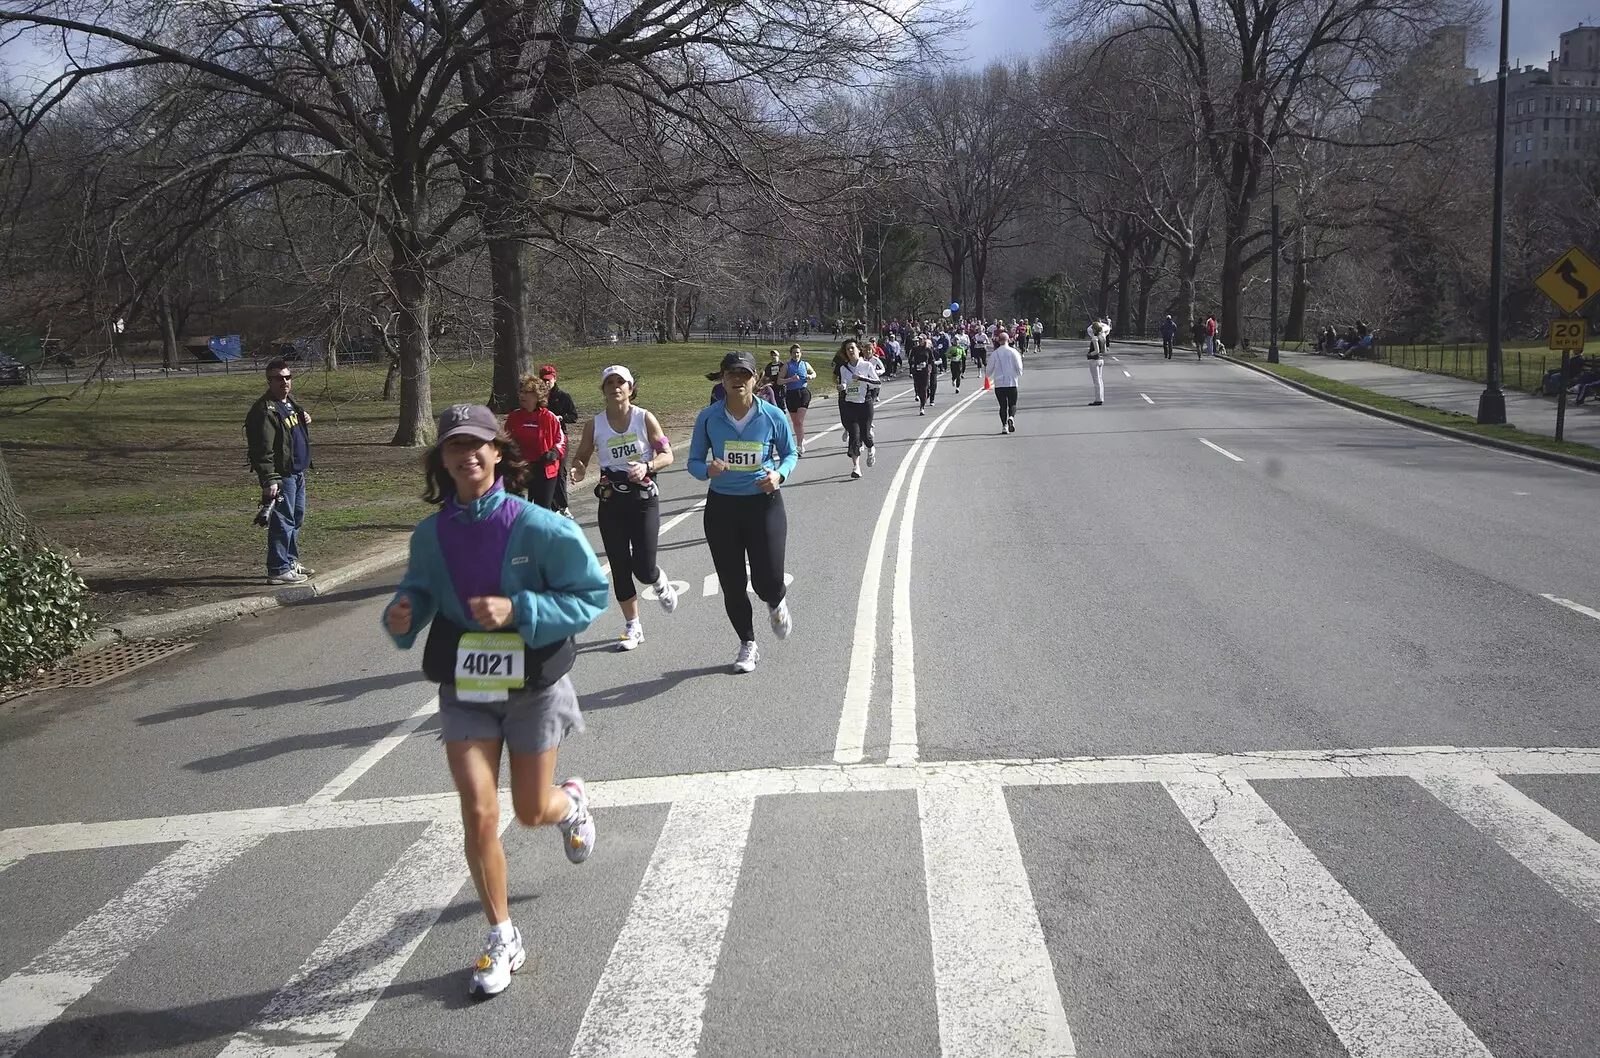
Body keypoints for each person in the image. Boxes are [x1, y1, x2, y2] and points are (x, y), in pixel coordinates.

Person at [381, 403, 609, 998]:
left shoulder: (541, 527)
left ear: (499, 453)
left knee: (532, 810)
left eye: (478, 444)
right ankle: (502, 935)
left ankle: (573, 806)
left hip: (532, 682)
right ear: (444, 459)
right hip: (467, 684)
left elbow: (591, 595)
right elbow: (420, 592)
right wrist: (403, 613)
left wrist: (522, 610)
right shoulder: (431, 535)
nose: (467, 455)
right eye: (455, 446)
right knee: (479, 811)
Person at [688, 351, 799, 674]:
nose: (737, 379)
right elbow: (693, 461)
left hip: (764, 504)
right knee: (732, 583)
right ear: (722, 378)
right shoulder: (708, 417)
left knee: (768, 581)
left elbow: (790, 454)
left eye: (744, 374)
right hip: (722, 507)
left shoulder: (772, 416)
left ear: (756, 379)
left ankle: (776, 601)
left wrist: (779, 475)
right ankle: (748, 643)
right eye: (731, 374)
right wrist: (707, 469)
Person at [569, 365, 679, 651]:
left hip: (643, 499)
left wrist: (648, 466)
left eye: (621, 382)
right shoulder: (595, 424)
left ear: (630, 388)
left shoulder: (644, 418)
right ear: (603, 389)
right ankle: (633, 627)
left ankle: (657, 579)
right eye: (610, 382)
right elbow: (581, 456)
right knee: (618, 565)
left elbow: (667, 454)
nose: (615, 387)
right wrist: (578, 469)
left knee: (642, 568)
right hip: (611, 500)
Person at [246, 358, 315, 584]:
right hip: (282, 476)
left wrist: (304, 418)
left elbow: (292, 429)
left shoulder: (288, 403)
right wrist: (270, 479)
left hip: (297, 471)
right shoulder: (264, 410)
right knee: (282, 521)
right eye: (278, 378)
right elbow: (262, 450)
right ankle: (277, 568)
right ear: (269, 381)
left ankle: (290, 561)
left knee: (296, 518)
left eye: (287, 377)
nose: (284, 382)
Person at [505, 374, 566, 511]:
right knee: (517, 508)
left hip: (544, 469)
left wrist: (554, 452)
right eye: (521, 391)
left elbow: (560, 439)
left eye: (527, 392)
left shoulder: (549, 417)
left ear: (538, 396)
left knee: (541, 510)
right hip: (521, 467)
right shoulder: (514, 417)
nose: (522, 395)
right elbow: (506, 439)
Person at [834, 339, 881, 477]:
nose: (850, 351)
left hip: (865, 403)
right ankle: (856, 467)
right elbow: (844, 384)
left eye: (852, 348)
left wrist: (862, 379)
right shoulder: (843, 368)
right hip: (850, 404)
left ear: (858, 350)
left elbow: (877, 383)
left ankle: (871, 449)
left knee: (866, 435)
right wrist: (841, 387)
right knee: (854, 436)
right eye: (847, 349)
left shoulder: (866, 366)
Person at [540, 365, 580, 516]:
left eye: (549, 380)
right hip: (543, 439)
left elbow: (574, 416)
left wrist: (561, 418)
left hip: (560, 437)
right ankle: (553, 506)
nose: (546, 383)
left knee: (560, 471)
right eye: (543, 380)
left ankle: (564, 506)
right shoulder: (538, 398)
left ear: (554, 379)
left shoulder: (563, 397)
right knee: (547, 472)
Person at [781, 343, 817, 453]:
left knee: (800, 421)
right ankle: (801, 438)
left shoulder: (805, 364)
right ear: (790, 354)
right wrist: (790, 379)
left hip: (803, 393)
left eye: (798, 352)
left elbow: (814, 373)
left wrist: (810, 376)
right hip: (791, 394)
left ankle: (800, 445)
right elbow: (779, 380)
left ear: (801, 354)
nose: (796, 355)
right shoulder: (786, 366)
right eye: (794, 353)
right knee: (796, 422)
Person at [985, 333, 1024, 434]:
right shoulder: (1014, 352)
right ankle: (1011, 417)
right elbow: (1019, 368)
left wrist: (987, 375)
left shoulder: (995, 353)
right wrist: (1018, 373)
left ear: (999, 341)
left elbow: (989, 369)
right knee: (1012, 404)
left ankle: (1004, 426)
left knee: (1003, 406)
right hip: (1012, 382)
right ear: (1008, 340)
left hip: (999, 383)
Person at [909, 335, 937, 414]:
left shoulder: (928, 350)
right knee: (919, 388)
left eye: (921, 339)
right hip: (917, 371)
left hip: (925, 371)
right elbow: (910, 359)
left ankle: (922, 407)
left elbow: (932, 360)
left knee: (924, 388)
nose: (919, 341)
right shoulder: (914, 349)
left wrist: (929, 367)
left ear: (924, 340)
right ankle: (923, 398)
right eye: (919, 340)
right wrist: (913, 366)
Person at [1087, 325, 1106, 406]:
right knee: (1100, 380)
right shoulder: (1102, 337)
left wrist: (1090, 354)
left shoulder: (1095, 338)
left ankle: (1098, 399)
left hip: (1094, 360)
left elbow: (1097, 350)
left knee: (1096, 380)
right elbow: (1104, 350)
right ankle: (1101, 397)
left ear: (1095, 329)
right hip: (1101, 360)